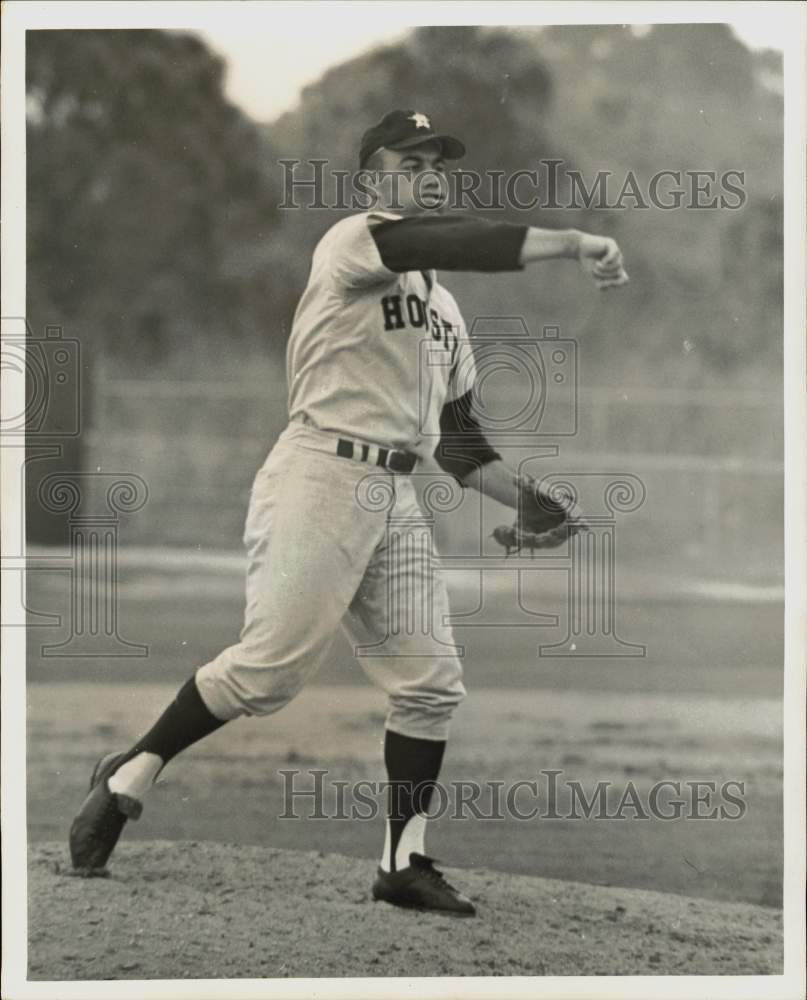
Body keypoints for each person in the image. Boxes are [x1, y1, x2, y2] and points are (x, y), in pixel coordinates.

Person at [69, 109, 627, 915]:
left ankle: (403, 863)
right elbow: (451, 240)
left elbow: (460, 446)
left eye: (437, 163)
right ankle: (133, 767)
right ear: (373, 178)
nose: (427, 173)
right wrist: (570, 244)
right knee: (268, 671)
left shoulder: (446, 315)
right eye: (409, 160)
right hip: (320, 470)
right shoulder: (354, 242)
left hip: (393, 495)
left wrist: (537, 502)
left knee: (431, 682)